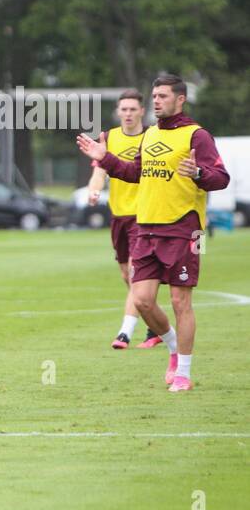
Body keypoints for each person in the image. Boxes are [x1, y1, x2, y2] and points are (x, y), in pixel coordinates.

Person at [75, 73, 229, 392]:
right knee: (143, 300)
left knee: (179, 301)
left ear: (180, 99)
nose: (156, 101)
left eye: (162, 96)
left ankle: (183, 373)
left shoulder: (196, 136)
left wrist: (198, 173)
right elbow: (134, 173)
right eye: (154, 96)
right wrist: (105, 159)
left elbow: (221, 178)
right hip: (146, 228)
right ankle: (173, 348)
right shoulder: (150, 135)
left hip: (184, 230)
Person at [86, 89, 160, 350]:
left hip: (145, 215)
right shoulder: (109, 137)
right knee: (128, 277)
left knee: (134, 272)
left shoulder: (152, 137)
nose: (128, 113)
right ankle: (155, 325)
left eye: (132, 109)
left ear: (142, 111)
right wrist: (94, 189)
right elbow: (100, 170)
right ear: (118, 112)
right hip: (119, 215)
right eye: (124, 109)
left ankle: (124, 333)